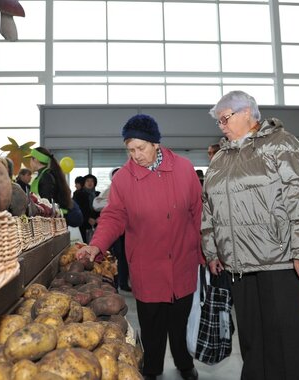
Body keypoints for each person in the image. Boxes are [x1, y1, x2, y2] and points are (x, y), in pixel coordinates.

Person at [201, 90, 299, 380]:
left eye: (225, 118)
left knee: (286, 341)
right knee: (253, 342)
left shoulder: (282, 144)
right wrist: (212, 251)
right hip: (239, 266)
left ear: (247, 112)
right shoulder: (221, 158)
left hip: (280, 261)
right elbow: (209, 209)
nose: (221, 126)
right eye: (219, 121)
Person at [77, 114, 203, 380]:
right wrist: (96, 244)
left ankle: (184, 363)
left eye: (141, 148)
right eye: (130, 149)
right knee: (152, 326)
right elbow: (113, 217)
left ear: (155, 143)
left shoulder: (184, 169)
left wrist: (205, 252)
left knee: (179, 323)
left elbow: (198, 214)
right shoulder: (123, 179)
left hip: (182, 262)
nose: (136, 155)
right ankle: (152, 369)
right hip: (147, 266)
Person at [93, 168, 131, 292]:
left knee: (124, 257)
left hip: (128, 232)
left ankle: (123, 282)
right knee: (113, 257)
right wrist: (114, 204)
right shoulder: (109, 190)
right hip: (112, 232)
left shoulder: (133, 189)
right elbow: (97, 205)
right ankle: (114, 283)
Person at [26, 147, 73, 216]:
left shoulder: (46, 177)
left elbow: (46, 203)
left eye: (30, 159)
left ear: (35, 159)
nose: (29, 162)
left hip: (46, 221)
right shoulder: (45, 175)